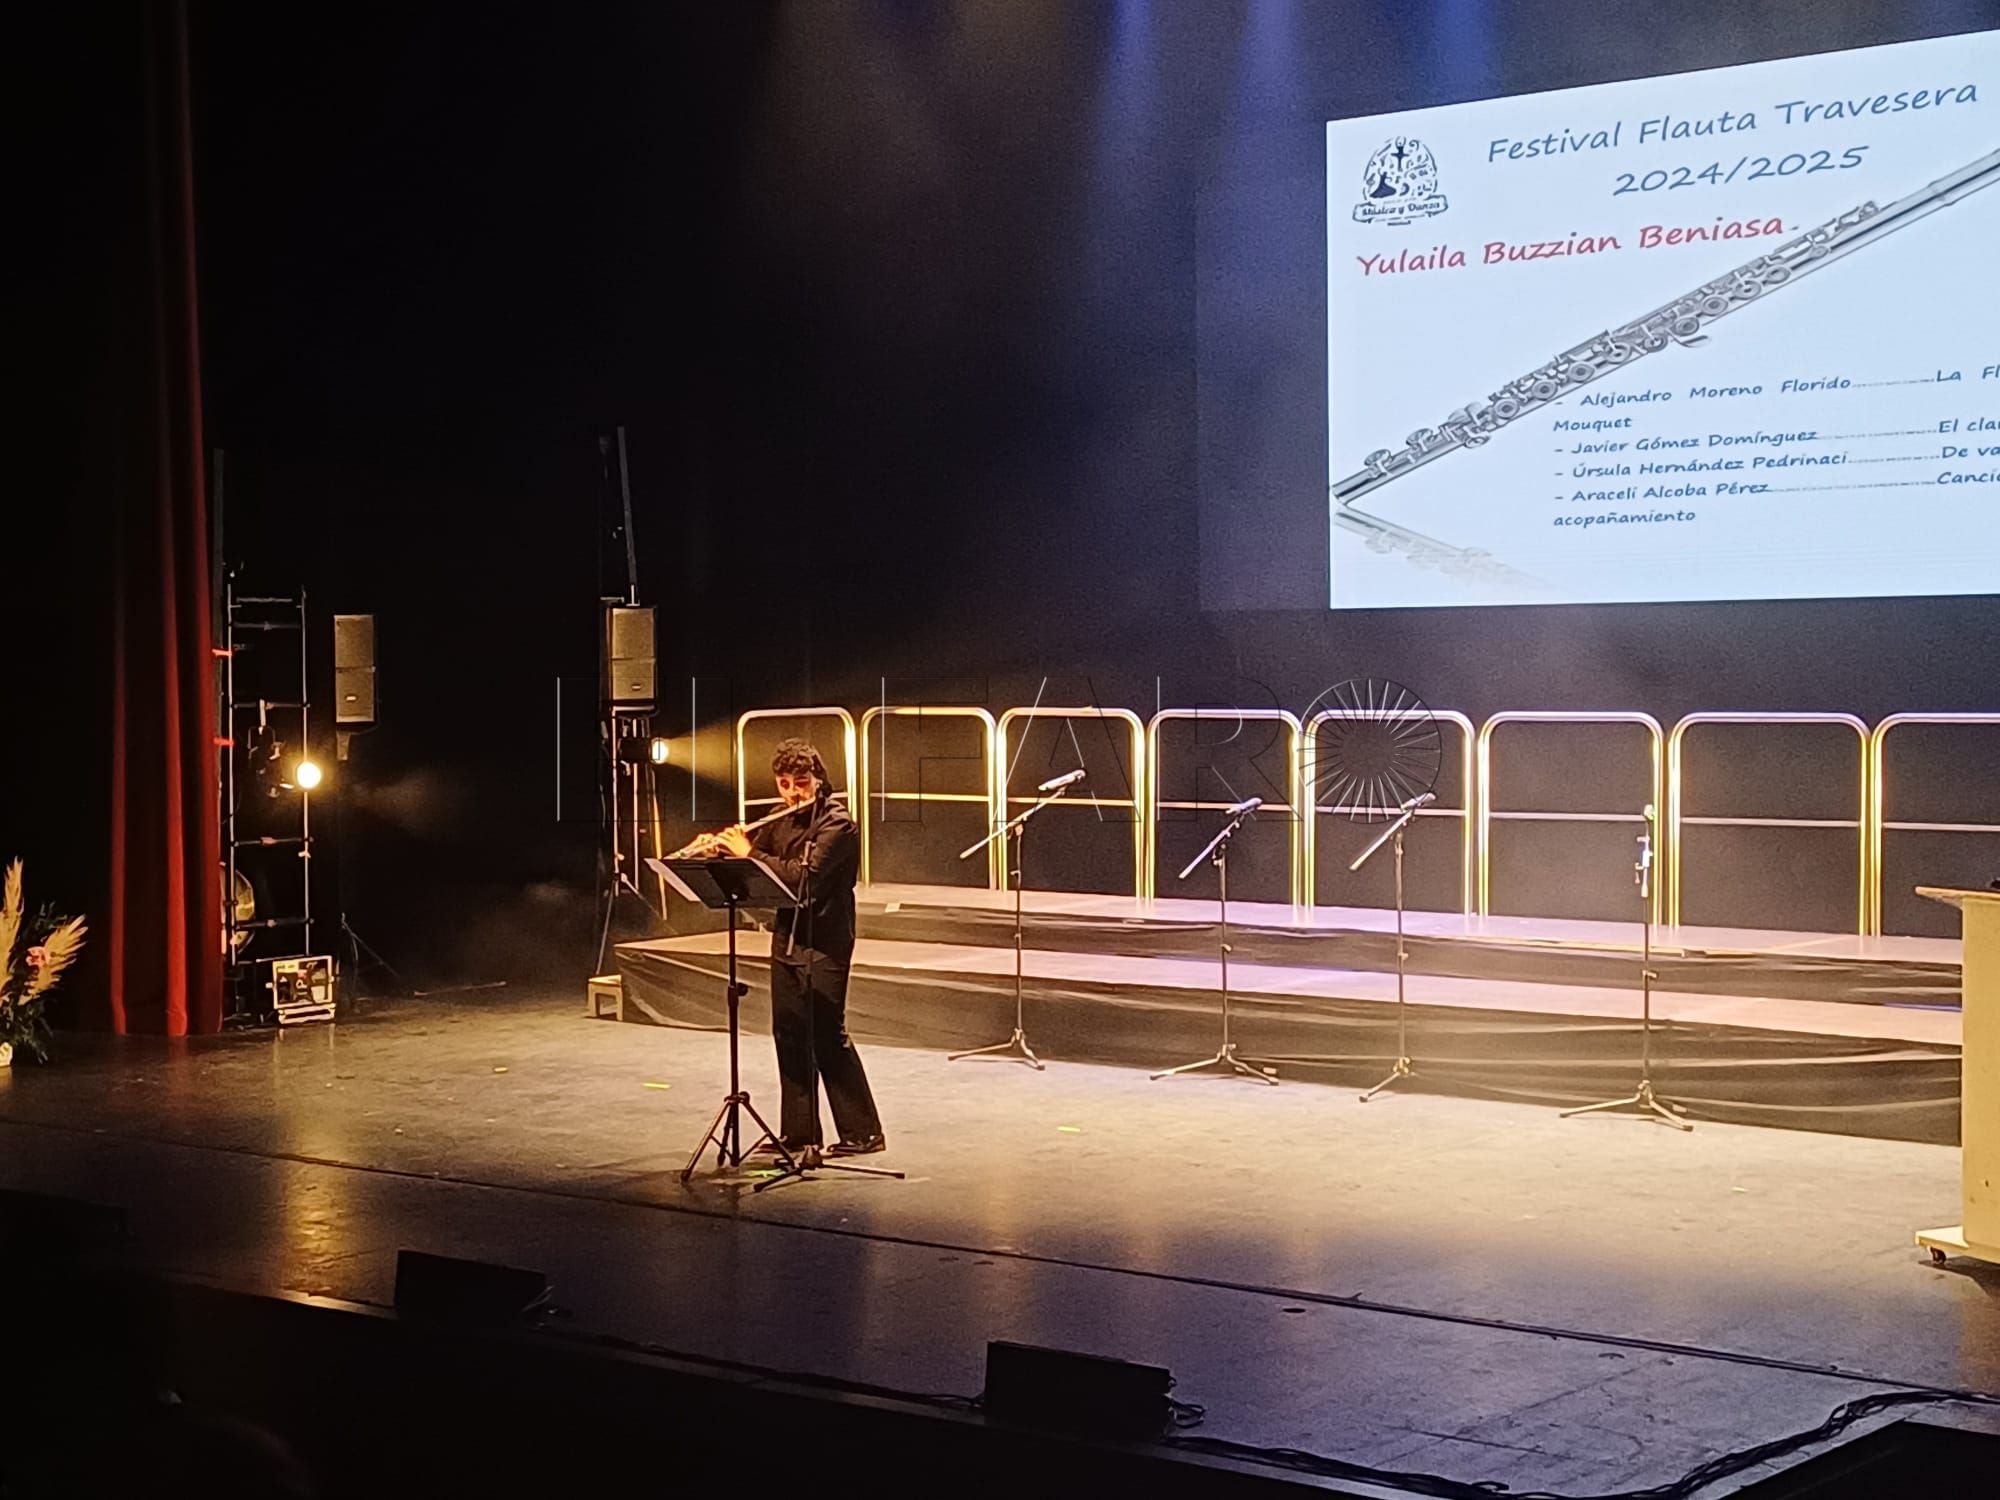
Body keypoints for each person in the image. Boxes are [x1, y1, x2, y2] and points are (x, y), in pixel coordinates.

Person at [713, 738, 885, 1158]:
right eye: (784, 783)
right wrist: (725, 852)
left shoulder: (838, 825)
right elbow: (759, 867)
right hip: (787, 937)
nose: (792, 793)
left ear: (818, 780)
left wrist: (750, 853)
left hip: (826, 940)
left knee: (826, 1033)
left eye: (801, 783)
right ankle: (799, 1133)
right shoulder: (780, 819)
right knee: (788, 1032)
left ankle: (863, 1133)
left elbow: (802, 881)